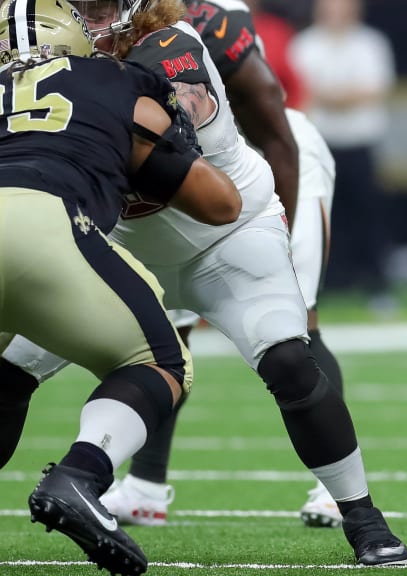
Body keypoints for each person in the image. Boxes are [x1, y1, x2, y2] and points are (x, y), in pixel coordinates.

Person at [0, 0, 407, 566]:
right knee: (11, 368)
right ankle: (97, 478)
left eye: (101, 7)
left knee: (288, 358)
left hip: (225, 235)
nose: (90, 22)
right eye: (79, 8)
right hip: (116, 244)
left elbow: (204, 172)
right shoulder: (46, 69)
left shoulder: (169, 45)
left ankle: (362, 516)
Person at [0, 0, 241, 572]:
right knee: (159, 361)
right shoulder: (114, 77)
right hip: (44, 223)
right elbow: (220, 204)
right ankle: (82, 474)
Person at [94, 0, 345, 531]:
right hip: (173, 174)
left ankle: (334, 489)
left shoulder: (211, 17)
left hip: (266, 161)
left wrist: (273, 239)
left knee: (296, 316)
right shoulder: (60, 27)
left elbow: (273, 121)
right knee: (163, 325)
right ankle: (144, 486)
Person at [288, 0, 395, 299]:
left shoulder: (371, 43)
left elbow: (375, 89)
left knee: (368, 214)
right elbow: (301, 90)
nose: (336, 13)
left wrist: (330, 96)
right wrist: (343, 95)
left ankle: (375, 282)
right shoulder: (305, 44)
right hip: (319, 143)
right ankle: (329, 281)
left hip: (360, 142)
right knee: (322, 215)